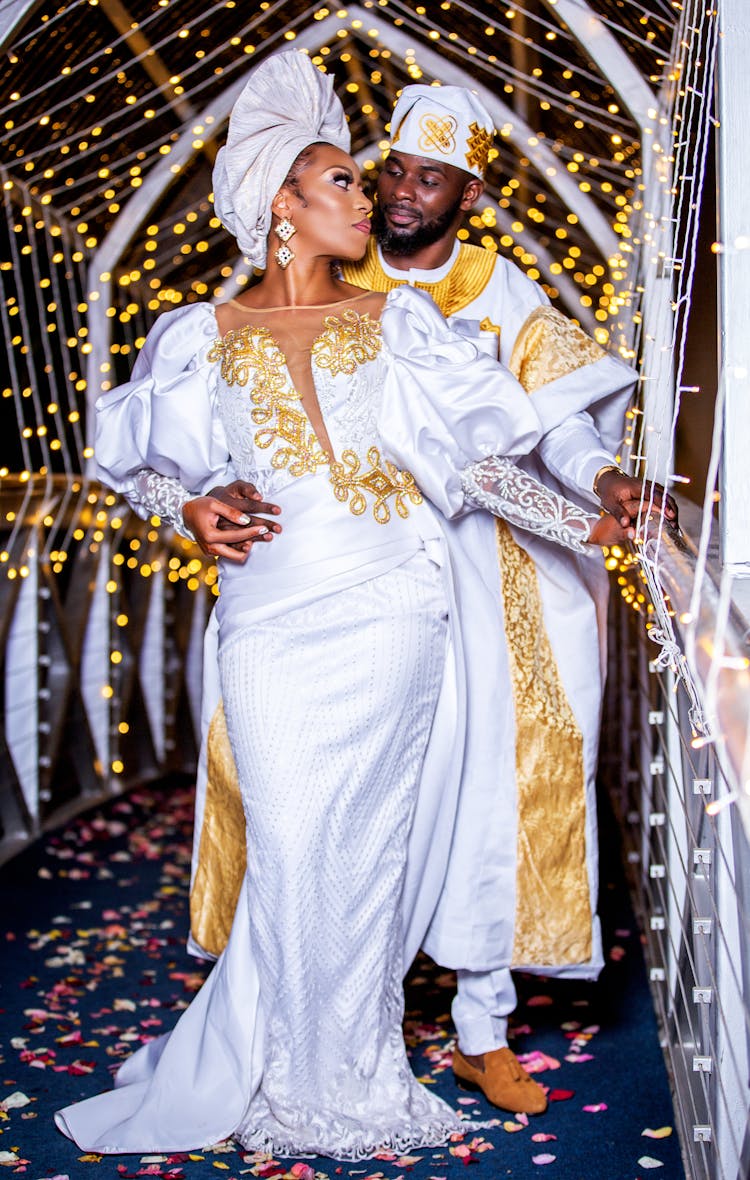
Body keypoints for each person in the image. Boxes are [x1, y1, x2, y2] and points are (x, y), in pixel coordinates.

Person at [55, 50, 635, 1158]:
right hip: (271, 627)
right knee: (288, 843)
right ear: (284, 204)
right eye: (346, 182)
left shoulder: (400, 327)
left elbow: (478, 464)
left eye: (373, 184)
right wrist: (185, 508)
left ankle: (348, 1071)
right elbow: (143, 468)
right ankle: (270, 1053)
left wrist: (587, 521)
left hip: (390, 619)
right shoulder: (196, 336)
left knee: (363, 855)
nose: (368, 196)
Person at [176, 83, 677, 1115]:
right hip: (339, 581)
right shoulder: (321, 264)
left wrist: (603, 487)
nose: (401, 192)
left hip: (488, 583)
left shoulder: (502, 298)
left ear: (469, 194)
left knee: (489, 784)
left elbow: (552, 433)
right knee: (326, 791)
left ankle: (477, 1027)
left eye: (427, 177)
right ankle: (337, 1013)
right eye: (389, 169)